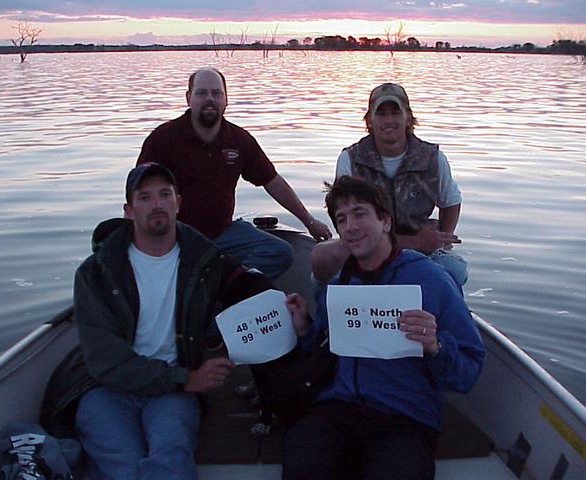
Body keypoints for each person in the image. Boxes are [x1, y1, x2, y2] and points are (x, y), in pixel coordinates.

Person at [41, 163, 272, 480]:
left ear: (178, 202)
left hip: (173, 393)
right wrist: (186, 379)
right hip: (106, 388)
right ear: (129, 210)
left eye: (165, 194)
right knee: (124, 466)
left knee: (172, 459)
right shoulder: (96, 272)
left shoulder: (203, 258)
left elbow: (245, 286)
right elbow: (106, 361)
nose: (157, 204)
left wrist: (283, 306)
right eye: (145, 197)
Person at [284, 176, 485, 480]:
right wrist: (304, 329)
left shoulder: (433, 281)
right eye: (342, 219)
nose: (350, 225)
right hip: (336, 409)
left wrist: (436, 346)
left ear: (386, 222)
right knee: (303, 467)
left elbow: (468, 372)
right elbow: (323, 350)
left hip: (405, 418)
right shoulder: (338, 286)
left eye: (360, 214)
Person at [137, 67, 331, 279]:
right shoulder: (163, 139)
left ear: (226, 100)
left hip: (224, 233)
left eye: (217, 93)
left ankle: (223, 288)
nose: (210, 99)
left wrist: (310, 222)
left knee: (280, 252)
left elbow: (273, 182)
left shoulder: (239, 139)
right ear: (188, 98)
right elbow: (139, 192)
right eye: (202, 93)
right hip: (176, 238)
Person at [311, 82, 467, 286]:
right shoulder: (350, 159)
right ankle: (323, 315)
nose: (389, 120)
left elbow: (451, 202)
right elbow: (345, 220)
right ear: (369, 120)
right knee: (322, 262)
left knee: (454, 270)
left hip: (422, 251)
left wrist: (440, 242)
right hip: (366, 247)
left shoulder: (433, 158)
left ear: (408, 117)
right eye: (381, 114)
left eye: (396, 112)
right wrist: (414, 242)